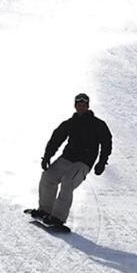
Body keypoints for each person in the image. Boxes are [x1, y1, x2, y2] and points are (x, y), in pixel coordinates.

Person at [29, 93, 112, 227]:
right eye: (79, 105)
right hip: (67, 157)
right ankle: (44, 210)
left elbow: (106, 143)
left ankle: (58, 217)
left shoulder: (98, 124)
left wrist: (102, 162)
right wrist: (47, 156)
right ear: (75, 106)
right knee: (48, 177)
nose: (81, 107)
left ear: (88, 106)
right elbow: (56, 138)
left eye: (84, 105)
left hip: (84, 161)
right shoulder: (70, 123)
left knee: (68, 181)